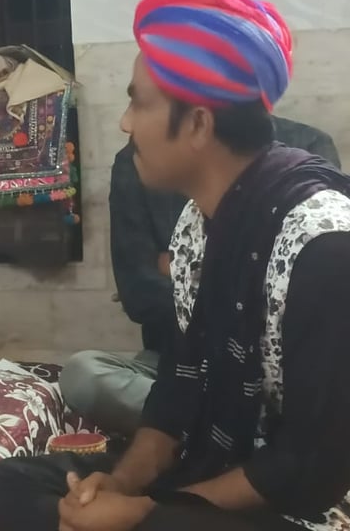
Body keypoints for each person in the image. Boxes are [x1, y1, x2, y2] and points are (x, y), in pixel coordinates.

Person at [0, 0, 350, 531]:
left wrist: (146, 512)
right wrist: (123, 484)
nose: (125, 123)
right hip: (213, 464)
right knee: (12, 483)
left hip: (309, 503)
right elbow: (179, 383)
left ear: (198, 123)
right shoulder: (197, 224)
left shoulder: (324, 246)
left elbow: (311, 468)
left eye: (138, 102)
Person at [60, 119, 341, 436]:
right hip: (177, 362)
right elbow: (138, 294)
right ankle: (243, 431)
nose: (126, 122)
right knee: (82, 374)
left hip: (277, 374)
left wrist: (177, 266)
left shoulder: (308, 147)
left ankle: (216, 430)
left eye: (141, 102)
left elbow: (310, 286)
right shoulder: (138, 160)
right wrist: (246, 277)